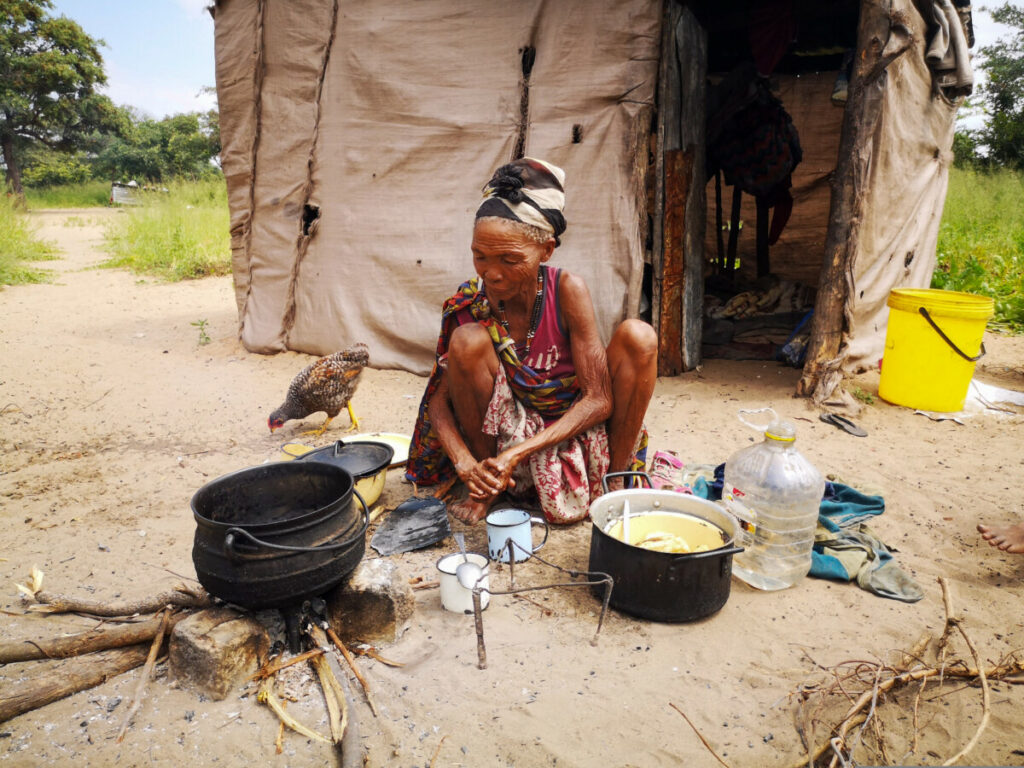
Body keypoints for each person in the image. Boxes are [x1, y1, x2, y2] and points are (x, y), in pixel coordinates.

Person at [406, 157, 657, 525]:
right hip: (506, 438)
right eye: (480, 256)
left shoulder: (567, 290)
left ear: (546, 250)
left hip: (576, 429)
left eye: (509, 259)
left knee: (639, 336)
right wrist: (467, 464)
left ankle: (612, 485)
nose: (491, 273)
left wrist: (520, 453)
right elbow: (439, 403)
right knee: (466, 341)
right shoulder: (471, 304)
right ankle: (490, 489)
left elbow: (599, 399)